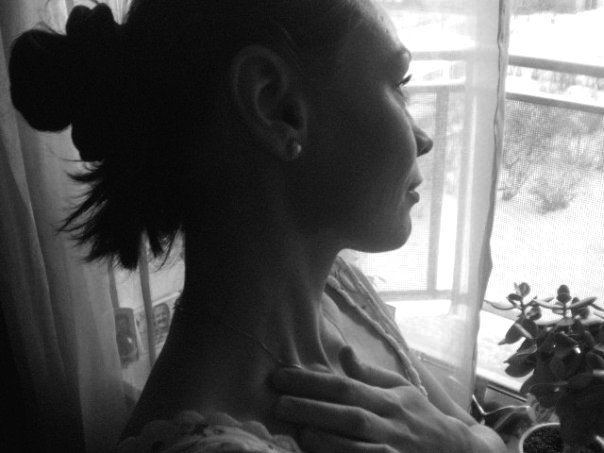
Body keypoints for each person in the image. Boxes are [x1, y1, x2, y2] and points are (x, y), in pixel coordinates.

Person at [9, 1, 507, 452]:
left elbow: (475, 436)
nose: (423, 139)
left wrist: (469, 445)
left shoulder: (337, 291)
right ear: (276, 106)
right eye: (399, 83)